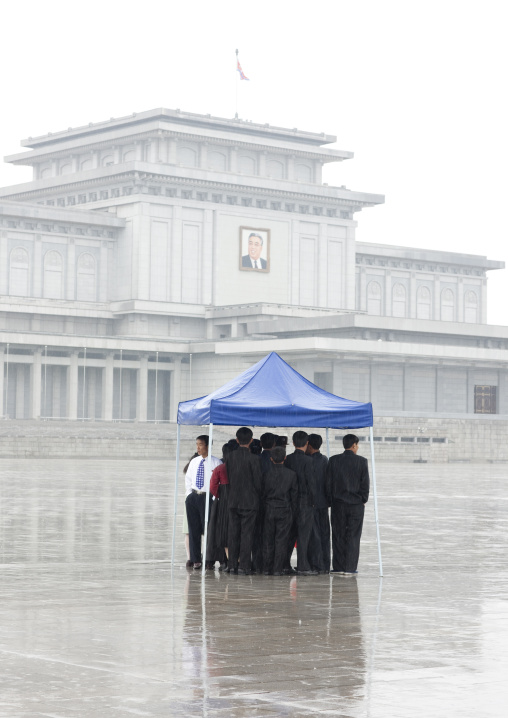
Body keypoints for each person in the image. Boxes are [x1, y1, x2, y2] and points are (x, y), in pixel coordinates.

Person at [326, 434, 369, 575]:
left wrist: (331, 500)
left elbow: (329, 484)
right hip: (356, 505)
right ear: (354, 445)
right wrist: (363, 500)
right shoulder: (362, 462)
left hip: (338, 505)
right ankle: (350, 568)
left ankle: (338, 567)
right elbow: (365, 485)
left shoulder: (333, 460)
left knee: (338, 534)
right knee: (353, 536)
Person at [225, 426, 263, 574]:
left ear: (237, 439)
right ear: (251, 440)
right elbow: (258, 482)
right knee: (247, 534)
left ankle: (232, 564)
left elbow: (229, 477)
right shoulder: (255, 459)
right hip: (250, 502)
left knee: (233, 533)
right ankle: (244, 566)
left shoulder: (230, 457)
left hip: (233, 500)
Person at [185, 435, 221, 570]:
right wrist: (189, 495)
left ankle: (209, 558)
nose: (198, 447)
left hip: (209, 497)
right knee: (193, 529)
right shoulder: (194, 462)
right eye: (197, 444)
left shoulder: (216, 463)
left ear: (208, 446)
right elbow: (188, 479)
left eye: (200, 444)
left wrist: (213, 498)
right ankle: (195, 559)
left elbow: (219, 483)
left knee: (209, 530)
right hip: (194, 497)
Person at [284, 430, 317, 575]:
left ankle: (285, 564)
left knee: (289, 536)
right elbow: (312, 484)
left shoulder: (288, 459)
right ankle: (303, 566)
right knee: (303, 536)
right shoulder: (309, 461)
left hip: (289, 503)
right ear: (307, 443)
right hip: (305, 503)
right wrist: (314, 501)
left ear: (293, 443)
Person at [262, 446, 298, 575]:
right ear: (285, 458)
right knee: (281, 540)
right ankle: (278, 569)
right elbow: (294, 496)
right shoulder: (291, 475)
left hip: (269, 509)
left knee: (268, 539)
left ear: (271, 459)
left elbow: (262, 494)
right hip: (284, 510)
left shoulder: (266, 474)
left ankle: (267, 568)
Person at [208, 439, 237, 571]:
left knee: (224, 531)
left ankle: (228, 561)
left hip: (223, 503)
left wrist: (221, 496)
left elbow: (213, 487)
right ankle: (238, 561)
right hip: (238, 500)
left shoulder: (219, 468)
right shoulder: (238, 467)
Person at [307, 434, 330, 573]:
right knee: (324, 535)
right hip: (323, 503)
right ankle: (325, 564)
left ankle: (315, 564)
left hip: (311, 504)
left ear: (309, 444)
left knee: (313, 535)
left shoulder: (307, 461)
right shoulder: (325, 460)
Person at [183, 452, 198, 567]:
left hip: (189, 499)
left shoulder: (189, 467)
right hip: (196, 498)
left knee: (188, 531)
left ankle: (190, 558)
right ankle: (198, 558)